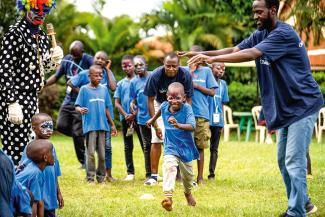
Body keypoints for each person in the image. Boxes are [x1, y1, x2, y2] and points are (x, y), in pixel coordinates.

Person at [179, 0, 324, 216]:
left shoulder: (282, 34)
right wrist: (203, 55)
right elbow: (236, 49)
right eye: (254, 12)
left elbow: (251, 54)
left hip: (302, 104)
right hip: (287, 107)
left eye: (259, 12)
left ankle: (296, 212)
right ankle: (304, 204)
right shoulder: (261, 33)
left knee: (294, 160)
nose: (255, 16)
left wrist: (212, 59)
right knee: (283, 161)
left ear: (273, 11)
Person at [0, 0, 63, 165]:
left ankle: (25, 187)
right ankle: (11, 187)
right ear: (27, 8)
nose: (40, 15)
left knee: (30, 143)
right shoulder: (15, 34)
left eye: (44, 12)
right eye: (36, 11)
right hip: (15, 97)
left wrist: (53, 60)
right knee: (15, 146)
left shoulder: (41, 34)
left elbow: (41, 67)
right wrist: (12, 102)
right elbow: (5, 71)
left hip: (32, 97)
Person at [143, 52, 193, 185]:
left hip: (180, 105)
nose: (171, 69)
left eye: (174, 66)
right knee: (157, 138)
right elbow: (150, 100)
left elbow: (188, 99)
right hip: (160, 104)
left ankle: (182, 176)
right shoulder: (155, 75)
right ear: (163, 65)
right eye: (168, 66)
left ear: (179, 65)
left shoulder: (185, 75)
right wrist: (156, 125)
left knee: (180, 138)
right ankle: (153, 176)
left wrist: (186, 117)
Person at [147, 82, 198, 211]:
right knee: (169, 166)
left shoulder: (187, 109)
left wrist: (178, 125)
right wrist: (152, 120)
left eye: (178, 98)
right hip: (170, 146)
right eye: (171, 98)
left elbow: (192, 126)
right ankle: (168, 198)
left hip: (185, 148)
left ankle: (188, 193)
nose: (174, 101)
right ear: (167, 97)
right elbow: (159, 112)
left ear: (184, 98)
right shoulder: (164, 106)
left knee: (188, 177)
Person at [67, 51, 117, 182]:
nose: (99, 77)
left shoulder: (104, 89)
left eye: (101, 75)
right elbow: (77, 105)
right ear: (89, 76)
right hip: (90, 126)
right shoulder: (84, 89)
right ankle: (90, 178)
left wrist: (112, 124)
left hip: (103, 126)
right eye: (96, 75)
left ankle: (101, 178)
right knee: (90, 154)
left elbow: (106, 107)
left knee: (102, 154)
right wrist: (80, 109)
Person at [45, 40, 93, 168]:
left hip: (82, 100)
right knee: (61, 125)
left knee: (78, 132)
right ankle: (81, 136)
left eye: (76, 55)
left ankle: (84, 162)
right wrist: (42, 84)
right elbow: (56, 76)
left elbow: (96, 76)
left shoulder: (89, 60)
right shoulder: (67, 59)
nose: (74, 58)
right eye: (72, 55)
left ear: (82, 52)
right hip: (68, 98)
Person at [19, 113, 63, 217]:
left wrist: (58, 193)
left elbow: (54, 173)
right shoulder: (30, 149)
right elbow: (26, 174)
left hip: (51, 195)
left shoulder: (50, 148)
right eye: (44, 126)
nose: (49, 130)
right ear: (34, 128)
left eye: (51, 126)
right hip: (37, 197)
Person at [186, 45, 217, 184]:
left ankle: (200, 177)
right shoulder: (184, 71)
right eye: (192, 56)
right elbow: (182, 89)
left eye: (197, 56)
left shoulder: (207, 71)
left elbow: (212, 92)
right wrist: (191, 72)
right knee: (185, 145)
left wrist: (197, 86)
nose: (195, 59)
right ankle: (185, 176)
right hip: (186, 114)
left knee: (200, 146)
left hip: (202, 114)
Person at [114, 55, 143, 181]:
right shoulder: (120, 84)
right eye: (124, 66)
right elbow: (117, 103)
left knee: (145, 144)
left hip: (140, 118)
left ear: (134, 65)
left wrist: (134, 114)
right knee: (128, 146)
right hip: (126, 120)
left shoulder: (140, 81)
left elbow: (142, 101)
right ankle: (130, 172)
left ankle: (151, 172)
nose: (127, 68)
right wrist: (126, 115)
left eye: (129, 65)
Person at [16, 139, 55, 217]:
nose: (54, 156)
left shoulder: (34, 168)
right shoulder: (36, 174)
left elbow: (40, 201)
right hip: (15, 203)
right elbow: (34, 203)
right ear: (45, 158)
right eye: (52, 153)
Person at [129, 55, 152, 180]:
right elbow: (133, 99)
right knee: (147, 147)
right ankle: (149, 174)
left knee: (167, 145)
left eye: (141, 65)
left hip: (157, 117)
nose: (138, 67)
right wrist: (132, 104)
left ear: (146, 65)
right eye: (136, 66)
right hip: (143, 119)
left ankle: (176, 174)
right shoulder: (133, 82)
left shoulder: (153, 76)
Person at [207, 62, 229, 180]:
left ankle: (211, 173)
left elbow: (222, 104)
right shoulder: (206, 81)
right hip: (206, 119)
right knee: (199, 146)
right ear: (211, 68)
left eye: (223, 69)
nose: (221, 70)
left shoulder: (223, 84)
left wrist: (222, 121)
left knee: (214, 148)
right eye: (218, 68)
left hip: (217, 121)